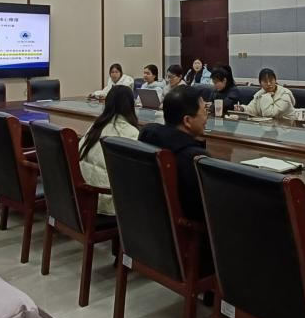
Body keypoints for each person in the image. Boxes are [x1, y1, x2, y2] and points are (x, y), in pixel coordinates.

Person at [138, 86, 209, 221]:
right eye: (205, 112)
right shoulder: (195, 158)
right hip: (186, 229)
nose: (207, 118)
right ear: (187, 121)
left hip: (146, 222)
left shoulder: (147, 137)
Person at [78, 86, 141, 214]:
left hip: (84, 193)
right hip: (107, 199)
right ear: (131, 105)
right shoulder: (132, 132)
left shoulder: (96, 126)